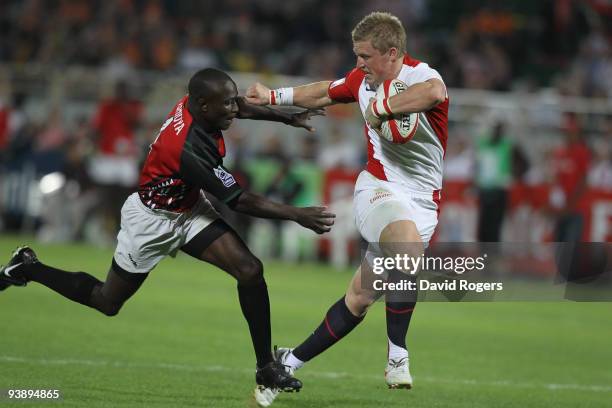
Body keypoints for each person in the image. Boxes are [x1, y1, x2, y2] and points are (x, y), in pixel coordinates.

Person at [0, 68, 335, 393]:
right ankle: (28, 266)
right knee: (107, 301)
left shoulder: (198, 103)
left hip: (187, 210)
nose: (235, 108)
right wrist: (296, 213)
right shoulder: (188, 148)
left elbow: (241, 106)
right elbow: (240, 200)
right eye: (228, 104)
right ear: (203, 106)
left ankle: (267, 368)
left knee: (249, 270)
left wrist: (288, 117)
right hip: (151, 220)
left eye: (234, 101)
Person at [246, 11, 448, 406]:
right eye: (356, 55)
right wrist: (273, 96)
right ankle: (398, 355)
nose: (358, 64)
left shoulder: (422, 76)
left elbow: (435, 94)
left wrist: (384, 108)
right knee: (406, 246)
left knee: (359, 297)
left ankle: (286, 362)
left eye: (365, 56)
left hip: (423, 202)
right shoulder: (362, 81)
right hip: (378, 188)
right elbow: (324, 91)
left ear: (392, 53)